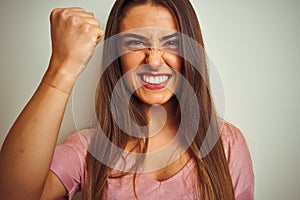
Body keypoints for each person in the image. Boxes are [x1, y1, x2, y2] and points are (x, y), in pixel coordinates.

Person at [0, 0, 254, 199]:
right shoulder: (88, 149)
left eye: (171, 43)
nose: (154, 61)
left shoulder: (227, 144)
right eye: (135, 42)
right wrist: (62, 68)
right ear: (116, 55)